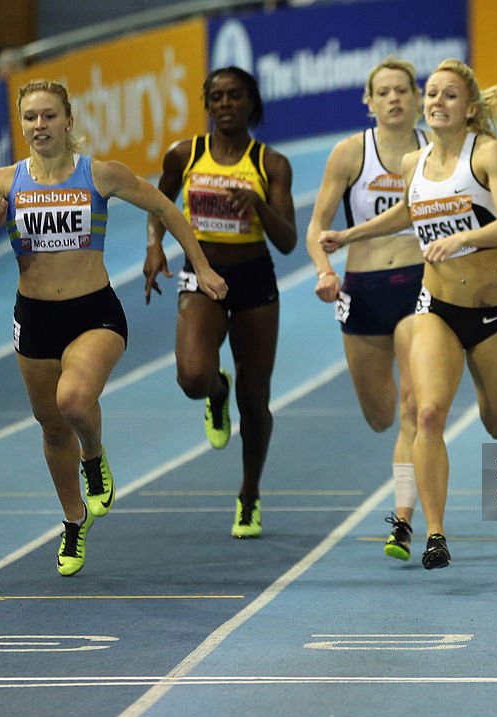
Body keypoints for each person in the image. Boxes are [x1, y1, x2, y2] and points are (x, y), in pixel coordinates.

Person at [0, 80, 226, 577]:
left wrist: (201, 266)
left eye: (49, 116)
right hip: (34, 319)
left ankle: (94, 456)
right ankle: (74, 520)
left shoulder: (98, 175)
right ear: (22, 125)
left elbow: (166, 207)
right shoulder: (3, 182)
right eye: (31, 117)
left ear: (68, 121)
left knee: (74, 401)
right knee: (52, 427)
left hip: (94, 313)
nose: (41, 125)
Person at [321, 58, 497, 570]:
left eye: (448, 95)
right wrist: (350, 235)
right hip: (436, 307)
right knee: (426, 413)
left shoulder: (488, 155)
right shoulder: (414, 164)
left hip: (491, 312)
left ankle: (480, 377)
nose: (436, 102)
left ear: (470, 107)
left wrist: (463, 238)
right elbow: (407, 212)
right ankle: (434, 533)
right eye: (431, 94)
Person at [144, 66, 296, 539]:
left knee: (256, 402)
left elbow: (288, 240)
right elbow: (157, 202)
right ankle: (215, 392)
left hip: (254, 280)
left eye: (235, 96)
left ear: (252, 103)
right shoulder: (185, 154)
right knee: (192, 377)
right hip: (202, 273)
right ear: (207, 105)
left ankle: (249, 495)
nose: (226, 103)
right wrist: (154, 245)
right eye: (217, 96)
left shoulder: (270, 164)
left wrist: (258, 204)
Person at [306, 58, 428, 561]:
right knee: (380, 416)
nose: (395, 98)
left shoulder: (434, 151)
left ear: (417, 97)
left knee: (413, 409)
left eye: (403, 90)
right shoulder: (350, 152)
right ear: (369, 101)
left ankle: (402, 520)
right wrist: (323, 271)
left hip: (422, 285)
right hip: (362, 289)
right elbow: (318, 227)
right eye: (385, 92)